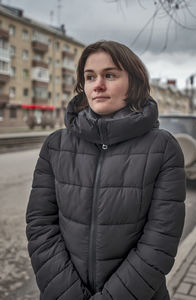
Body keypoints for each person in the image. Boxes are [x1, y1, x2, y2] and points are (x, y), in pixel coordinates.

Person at [26, 40, 186, 300]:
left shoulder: (163, 147)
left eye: (109, 75)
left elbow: (161, 240)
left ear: (133, 83)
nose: (97, 85)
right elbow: (40, 226)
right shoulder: (56, 145)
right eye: (90, 77)